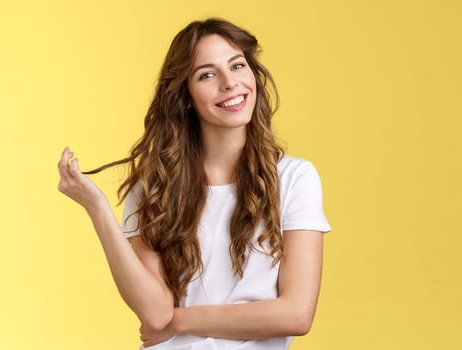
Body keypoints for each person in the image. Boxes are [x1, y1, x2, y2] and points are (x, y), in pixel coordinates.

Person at [56, 18, 331, 350]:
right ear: (185, 96)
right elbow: (155, 314)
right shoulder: (151, 189)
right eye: (208, 74)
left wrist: (181, 320)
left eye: (237, 66)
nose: (230, 83)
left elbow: (297, 314)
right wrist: (98, 209)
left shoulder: (294, 179)